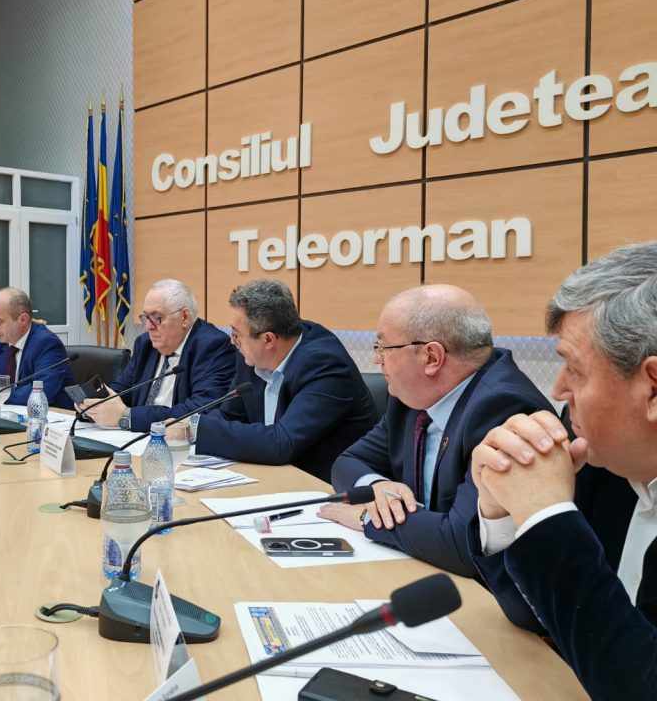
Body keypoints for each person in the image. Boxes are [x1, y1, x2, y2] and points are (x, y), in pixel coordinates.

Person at [467, 241, 657, 701]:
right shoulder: (605, 463)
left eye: (574, 368)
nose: (557, 389)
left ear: (652, 389)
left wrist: (546, 518)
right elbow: (531, 614)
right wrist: (503, 512)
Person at [320, 285, 553, 577]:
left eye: (383, 347)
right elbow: (347, 462)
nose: (376, 359)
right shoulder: (413, 397)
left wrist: (368, 517)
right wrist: (377, 488)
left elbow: (464, 543)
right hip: (420, 566)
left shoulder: (502, 408)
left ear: (431, 357)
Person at [190, 279, 379, 482]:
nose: (232, 341)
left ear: (268, 339)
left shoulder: (325, 364)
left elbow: (282, 443)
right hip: (273, 478)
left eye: (237, 334)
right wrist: (190, 429)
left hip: (325, 485)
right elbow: (228, 417)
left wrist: (196, 428)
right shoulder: (252, 357)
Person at [83, 279, 236, 431]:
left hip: (178, 441)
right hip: (133, 438)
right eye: (146, 317)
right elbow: (122, 392)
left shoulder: (213, 346)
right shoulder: (145, 344)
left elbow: (202, 409)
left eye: (156, 318)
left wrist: (127, 416)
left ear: (184, 317)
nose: (148, 326)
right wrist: (94, 406)